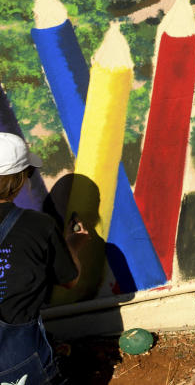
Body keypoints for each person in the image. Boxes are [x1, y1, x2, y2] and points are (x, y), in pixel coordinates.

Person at [0, 132, 88, 384]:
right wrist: (73, 244)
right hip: (20, 361)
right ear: (19, 179)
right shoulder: (39, 225)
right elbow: (69, 279)